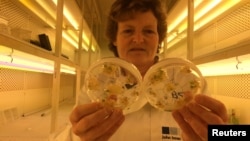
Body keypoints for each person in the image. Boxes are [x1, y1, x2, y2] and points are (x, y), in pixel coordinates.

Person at [68, 0, 228, 141]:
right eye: (128, 31)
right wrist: (79, 137)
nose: (138, 39)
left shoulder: (188, 82)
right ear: (115, 39)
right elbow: (70, 134)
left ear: (159, 38)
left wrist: (220, 134)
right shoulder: (96, 86)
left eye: (148, 31)